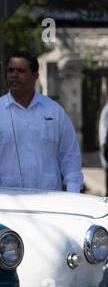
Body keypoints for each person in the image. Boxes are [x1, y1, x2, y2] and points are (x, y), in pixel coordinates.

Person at [0, 50, 84, 192]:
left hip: (49, 202)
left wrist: (73, 194)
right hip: (8, 204)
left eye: (20, 71)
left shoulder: (54, 111)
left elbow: (70, 156)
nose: (14, 75)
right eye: (10, 70)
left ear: (35, 76)